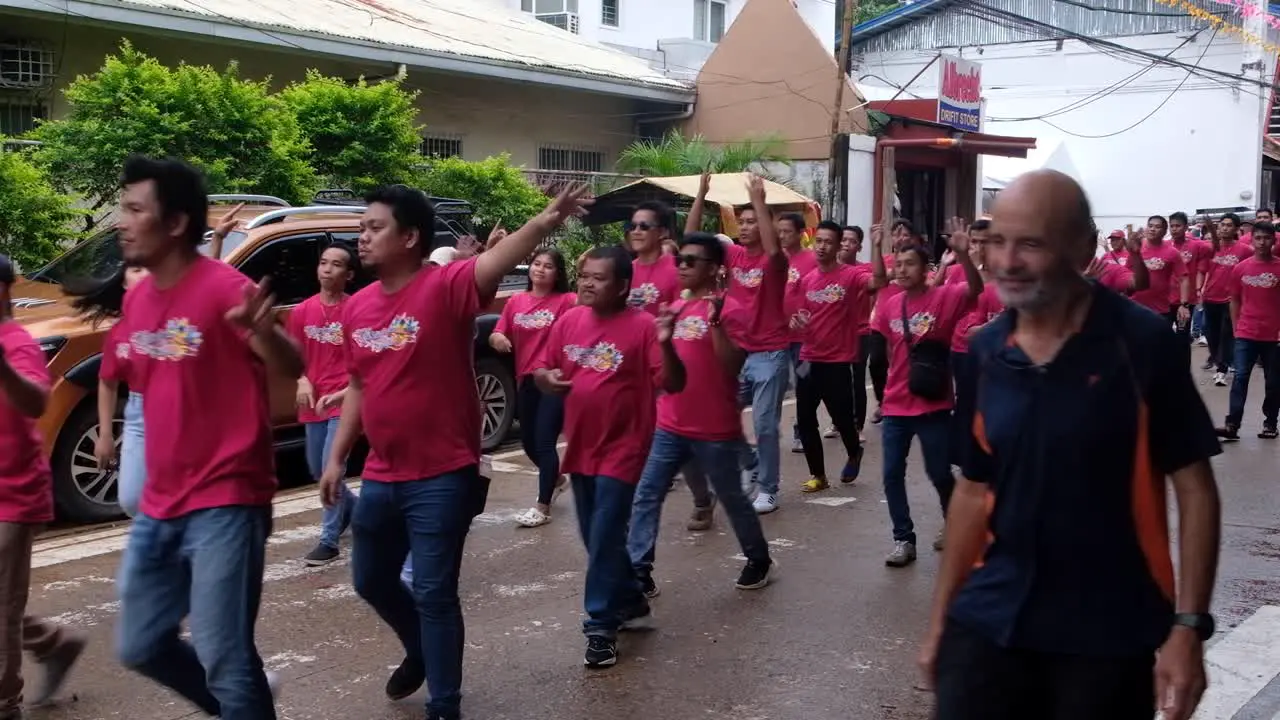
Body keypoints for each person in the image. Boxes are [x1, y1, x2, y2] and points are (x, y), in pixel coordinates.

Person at [920, 170, 1222, 720]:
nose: (1006, 260)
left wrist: (1188, 629)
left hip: (1104, 634)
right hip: (989, 619)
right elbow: (972, 489)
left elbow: (1195, 489)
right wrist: (942, 618)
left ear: (1082, 248)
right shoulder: (987, 348)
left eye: (1030, 244)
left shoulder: (1142, 344)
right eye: (997, 240)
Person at [317, 183, 589, 719]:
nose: (362, 236)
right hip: (381, 475)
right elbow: (359, 385)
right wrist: (335, 459)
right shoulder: (357, 309)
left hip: (443, 474)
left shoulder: (445, 287)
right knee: (370, 578)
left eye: (375, 227)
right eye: (363, 227)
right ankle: (419, 649)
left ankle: (445, 703)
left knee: (437, 592)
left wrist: (545, 221)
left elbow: (494, 262)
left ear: (411, 237)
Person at [112, 156, 302, 719]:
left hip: (227, 498)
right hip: (160, 503)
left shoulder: (227, 289)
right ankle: (236, 705)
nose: (121, 221)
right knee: (139, 644)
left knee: (225, 655)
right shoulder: (138, 298)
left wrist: (262, 334)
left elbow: (290, 364)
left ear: (175, 223)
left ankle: (239, 699)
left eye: (134, 209)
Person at [533, 245, 686, 668]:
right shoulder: (568, 321)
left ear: (622, 287)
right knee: (593, 537)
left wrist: (667, 344)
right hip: (581, 445)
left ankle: (600, 626)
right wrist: (547, 379)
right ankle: (631, 598)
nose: (587, 283)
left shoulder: (641, 328)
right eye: (584, 275)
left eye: (598, 278)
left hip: (625, 447)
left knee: (602, 535)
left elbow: (673, 382)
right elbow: (542, 371)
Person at [626, 233, 775, 602]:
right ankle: (639, 572)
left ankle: (758, 559)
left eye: (692, 261)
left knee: (732, 498)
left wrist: (717, 324)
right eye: (681, 260)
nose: (683, 266)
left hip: (715, 429)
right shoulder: (675, 308)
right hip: (671, 422)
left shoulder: (732, 308)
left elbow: (732, 365)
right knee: (647, 495)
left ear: (715, 269)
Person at [0, 254, 88, 719]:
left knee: (0, 611)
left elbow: (35, 401)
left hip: (12, 494)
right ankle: (55, 644)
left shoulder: (17, 343)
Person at [875, 218, 982, 568]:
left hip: (932, 405)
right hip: (895, 405)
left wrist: (964, 256)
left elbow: (974, 291)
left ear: (926, 269)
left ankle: (956, 524)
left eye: (910, 264)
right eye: (899, 263)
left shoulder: (944, 297)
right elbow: (891, 350)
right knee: (891, 474)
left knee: (938, 472)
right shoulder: (891, 304)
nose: (902, 270)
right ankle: (903, 539)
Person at [690, 176, 789, 514]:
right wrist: (701, 196)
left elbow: (774, 249)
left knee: (763, 423)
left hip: (770, 352)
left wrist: (759, 201)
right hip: (737, 353)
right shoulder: (732, 255)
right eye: (741, 221)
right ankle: (754, 465)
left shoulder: (774, 262)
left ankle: (768, 488)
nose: (745, 227)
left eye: (751, 222)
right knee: (720, 416)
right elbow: (691, 241)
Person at [790, 221, 885, 491]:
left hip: (838, 361)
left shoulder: (851, 276)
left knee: (843, 419)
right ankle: (818, 476)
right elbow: (802, 316)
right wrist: (798, 323)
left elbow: (878, 281)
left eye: (828, 242)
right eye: (818, 241)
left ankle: (854, 452)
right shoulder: (807, 281)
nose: (821, 246)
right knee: (806, 418)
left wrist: (877, 246)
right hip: (809, 358)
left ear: (838, 245)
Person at [492, 248, 576, 528]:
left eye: (548, 266)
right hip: (526, 379)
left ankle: (542, 507)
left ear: (558, 273)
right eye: (536, 263)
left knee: (543, 441)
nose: (540, 269)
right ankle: (557, 479)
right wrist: (497, 339)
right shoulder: (516, 301)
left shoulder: (567, 301)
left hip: (554, 379)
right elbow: (496, 332)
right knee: (529, 444)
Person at [291, 243, 359, 566]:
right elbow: (293, 358)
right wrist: (301, 380)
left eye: (336, 265)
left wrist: (348, 391)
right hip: (313, 401)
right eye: (323, 263)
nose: (327, 269)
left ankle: (328, 541)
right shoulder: (301, 311)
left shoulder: (356, 310)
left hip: (344, 400)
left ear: (349, 275)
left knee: (333, 467)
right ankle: (354, 509)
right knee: (318, 469)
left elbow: (367, 360)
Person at [1216, 221, 1280, 441]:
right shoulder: (1241, 268)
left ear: (1274, 240)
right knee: (1240, 378)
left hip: (1274, 336)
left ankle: (1270, 423)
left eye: (1267, 238)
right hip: (1246, 333)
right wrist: (1236, 327)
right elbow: (1234, 300)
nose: (1262, 242)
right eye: (1258, 238)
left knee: (1273, 383)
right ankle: (1232, 424)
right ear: (1252, 239)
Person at [777, 211, 817, 454]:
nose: (782, 236)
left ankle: (801, 430)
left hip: (804, 338)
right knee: (774, 386)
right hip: (777, 336)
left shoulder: (812, 260)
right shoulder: (774, 259)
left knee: (804, 385)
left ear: (801, 233)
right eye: (779, 231)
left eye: (787, 231)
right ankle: (767, 432)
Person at [1199, 215, 1249, 386]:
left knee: (1226, 335)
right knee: (1210, 333)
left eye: (1229, 225)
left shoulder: (1245, 250)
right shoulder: (1210, 248)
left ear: (1236, 229)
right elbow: (1202, 270)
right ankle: (1218, 360)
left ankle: (1222, 369)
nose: (1225, 228)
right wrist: (1200, 289)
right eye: (1222, 225)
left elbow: (1248, 273)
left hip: (1230, 300)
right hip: (1210, 297)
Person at [1130, 215, 1191, 334]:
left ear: (1164, 232)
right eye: (1150, 226)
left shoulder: (1172, 252)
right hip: (1135, 307)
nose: (1152, 229)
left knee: (1158, 347)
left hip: (1160, 309)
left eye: (1157, 227)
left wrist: (1184, 304)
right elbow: (1125, 273)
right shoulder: (1136, 248)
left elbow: (1183, 278)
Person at [1167, 211, 1210, 346]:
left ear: (1186, 227)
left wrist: (1198, 290)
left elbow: (1202, 269)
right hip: (1165, 300)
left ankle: (1183, 366)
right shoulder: (1165, 246)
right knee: (1162, 335)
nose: (1174, 229)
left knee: (1182, 336)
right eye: (1172, 226)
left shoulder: (1198, 245)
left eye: (1178, 226)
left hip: (1185, 301)